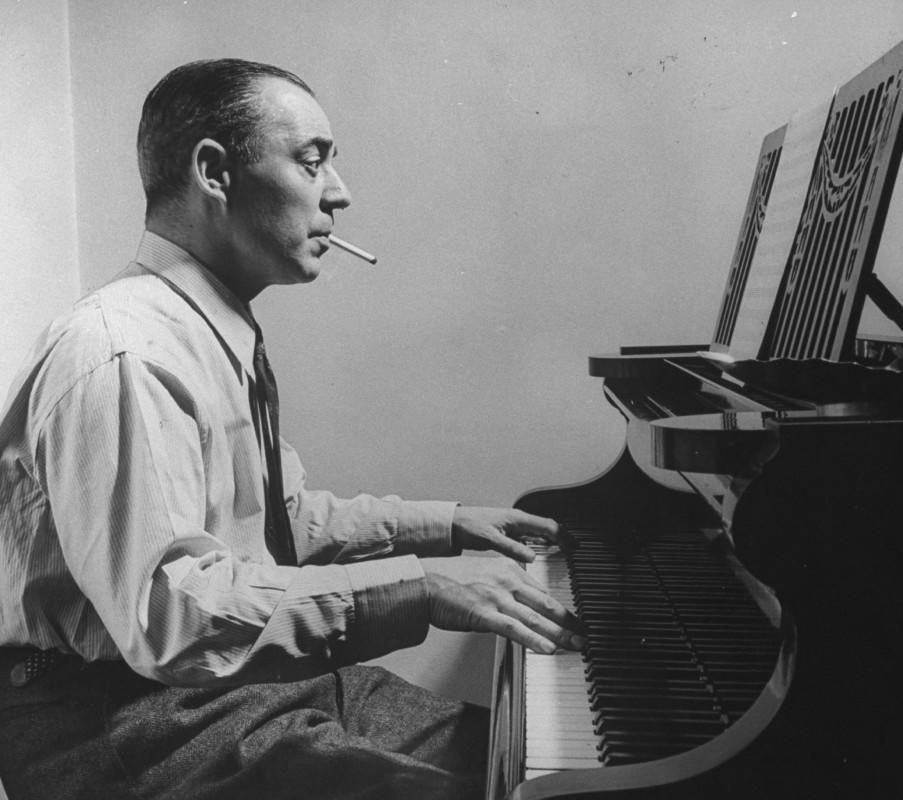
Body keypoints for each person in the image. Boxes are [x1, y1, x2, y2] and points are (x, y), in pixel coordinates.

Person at [0, 58, 583, 800]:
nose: (339, 193)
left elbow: (280, 520)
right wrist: (421, 589)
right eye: (311, 163)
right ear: (213, 171)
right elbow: (171, 617)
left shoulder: (205, 327)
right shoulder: (125, 352)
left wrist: (450, 527)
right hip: (117, 719)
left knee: (520, 758)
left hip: (212, 689)